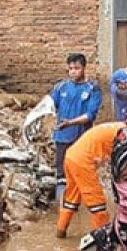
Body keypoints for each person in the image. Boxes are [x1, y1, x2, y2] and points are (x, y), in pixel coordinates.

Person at [56, 110, 127, 237]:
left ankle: (61, 231)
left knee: (72, 197)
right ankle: (103, 239)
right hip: (83, 162)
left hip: (72, 155)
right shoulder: (123, 133)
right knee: (97, 204)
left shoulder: (116, 127)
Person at [52, 53, 103, 201]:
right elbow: (50, 105)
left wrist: (70, 122)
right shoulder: (61, 87)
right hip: (62, 137)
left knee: (82, 172)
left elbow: (90, 115)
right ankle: (61, 205)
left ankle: (85, 205)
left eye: (77, 68)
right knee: (61, 174)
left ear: (84, 68)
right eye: (70, 69)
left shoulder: (93, 89)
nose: (73, 71)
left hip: (82, 139)